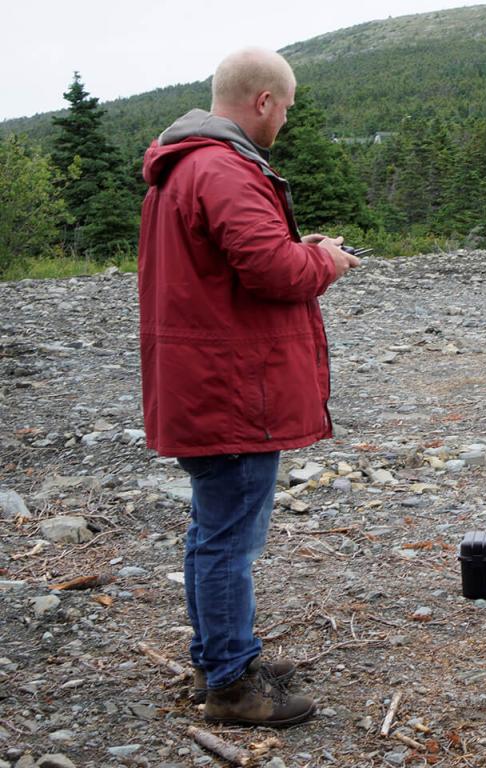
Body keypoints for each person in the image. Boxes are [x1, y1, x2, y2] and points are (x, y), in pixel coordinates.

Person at [137, 47, 359, 727]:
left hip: (205, 380)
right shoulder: (223, 167)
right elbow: (270, 270)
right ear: (263, 100)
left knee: (215, 530)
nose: (285, 120)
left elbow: (237, 262)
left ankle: (221, 656)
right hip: (230, 389)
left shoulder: (190, 165)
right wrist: (323, 259)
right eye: (286, 107)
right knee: (229, 538)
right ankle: (232, 685)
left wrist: (303, 247)